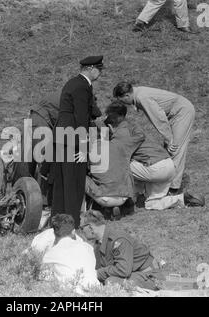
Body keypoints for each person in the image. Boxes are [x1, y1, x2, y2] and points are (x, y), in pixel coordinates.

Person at [104, 102, 204, 210]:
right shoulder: (133, 127)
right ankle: (182, 199)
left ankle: (126, 198)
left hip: (156, 169)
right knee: (152, 203)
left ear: (111, 124)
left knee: (121, 165)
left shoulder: (120, 134)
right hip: (169, 166)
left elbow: (117, 158)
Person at [113, 81, 195, 196]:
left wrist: (169, 139)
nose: (123, 104)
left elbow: (159, 117)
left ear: (127, 95)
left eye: (122, 100)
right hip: (173, 114)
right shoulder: (138, 93)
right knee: (169, 149)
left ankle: (173, 189)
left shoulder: (142, 97)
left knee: (176, 148)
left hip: (182, 112)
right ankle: (164, 185)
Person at [52, 56, 104, 228]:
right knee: (74, 183)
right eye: (99, 69)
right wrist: (83, 147)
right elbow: (81, 117)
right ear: (90, 68)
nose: (100, 73)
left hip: (62, 136)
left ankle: (58, 222)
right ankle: (71, 224)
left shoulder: (74, 83)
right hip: (73, 139)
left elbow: (90, 110)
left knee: (61, 183)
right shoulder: (82, 87)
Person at [85, 101, 144, 218]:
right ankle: (123, 206)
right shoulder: (120, 145)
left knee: (81, 177)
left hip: (104, 197)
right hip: (124, 195)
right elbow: (140, 136)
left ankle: (89, 209)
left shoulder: (89, 149)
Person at [80, 209, 165, 291]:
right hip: (133, 275)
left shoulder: (118, 240)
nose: (81, 231)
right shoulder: (98, 244)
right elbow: (100, 270)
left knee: (111, 282)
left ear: (90, 227)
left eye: (81, 228)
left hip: (150, 277)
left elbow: (123, 270)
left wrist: (97, 273)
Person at [40, 214, 100, 293]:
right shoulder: (88, 248)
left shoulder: (50, 254)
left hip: (70, 292)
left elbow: (43, 278)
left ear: (54, 233)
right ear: (73, 232)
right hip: (95, 290)